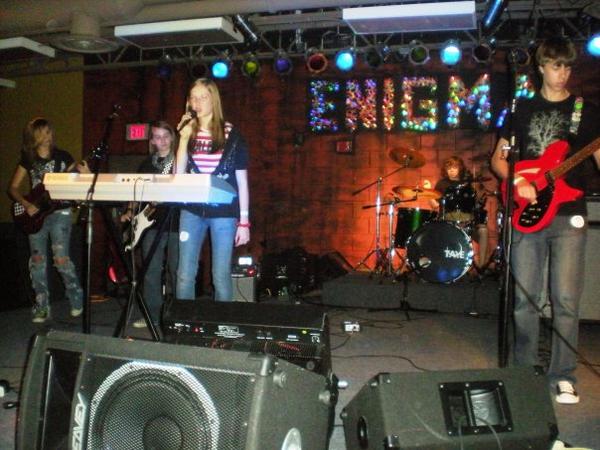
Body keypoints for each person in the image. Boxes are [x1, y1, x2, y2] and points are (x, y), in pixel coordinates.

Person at [491, 37, 600, 404]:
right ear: (540, 67)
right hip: (528, 212)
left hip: (569, 215)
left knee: (566, 299)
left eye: (568, 67)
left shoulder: (586, 112)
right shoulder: (520, 109)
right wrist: (517, 182)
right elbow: (498, 160)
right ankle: (525, 372)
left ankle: (563, 375)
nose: (562, 73)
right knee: (526, 300)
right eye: (556, 66)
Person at [174, 78, 250, 301]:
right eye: (193, 98)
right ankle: (184, 319)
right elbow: (178, 176)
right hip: (191, 210)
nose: (197, 102)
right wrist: (183, 139)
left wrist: (244, 222)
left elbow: (242, 181)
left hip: (224, 212)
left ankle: (222, 321)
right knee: (184, 274)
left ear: (213, 100)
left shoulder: (232, 135)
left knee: (220, 275)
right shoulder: (188, 132)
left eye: (203, 97)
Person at [7, 117, 89, 323]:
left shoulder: (63, 157)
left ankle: (76, 298)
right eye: (43, 132)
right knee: (37, 261)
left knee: (61, 259)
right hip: (36, 214)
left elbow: (77, 181)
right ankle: (42, 306)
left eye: (49, 131)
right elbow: (13, 188)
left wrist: (86, 174)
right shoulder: (28, 158)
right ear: (34, 135)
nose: (47, 136)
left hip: (60, 212)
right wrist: (26, 204)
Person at [121, 120, 179, 327]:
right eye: (157, 137)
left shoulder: (180, 162)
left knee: (177, 271)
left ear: (172, 137)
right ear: (152, 140)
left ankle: (178, 317)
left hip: (176, 223)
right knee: (150, 272)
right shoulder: (146, 164)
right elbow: (136, 192)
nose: (162, 141)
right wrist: (130, 211)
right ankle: (152, 316)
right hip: (150, 224)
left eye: (165, 136)